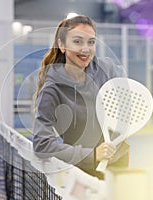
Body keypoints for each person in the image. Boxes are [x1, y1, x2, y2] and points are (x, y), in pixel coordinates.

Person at [32, 15, 129, 179]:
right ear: (62, 45)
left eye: (91, 42)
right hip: (82, 171)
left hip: (118, 165)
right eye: (77, 41)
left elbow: (125, 108)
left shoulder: (109, 69)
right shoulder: (52, 89)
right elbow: (42, 144)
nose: (86, 48)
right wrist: (92, 155)